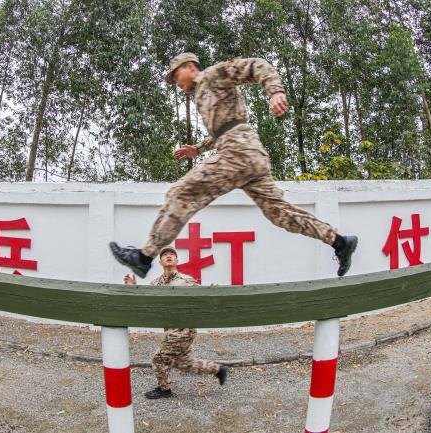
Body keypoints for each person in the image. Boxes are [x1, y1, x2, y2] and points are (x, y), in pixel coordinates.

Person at [110, 52, 357, 279]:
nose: (176, 82)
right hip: (250, 155)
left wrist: (275, 92)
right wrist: (198, 149)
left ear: (189, 67)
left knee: (181, 193)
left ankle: (144, 257)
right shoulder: (201, 94)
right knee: (280, 214)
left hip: (238, 152)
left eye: (176, 75)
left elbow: (256, 65)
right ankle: (339, 242)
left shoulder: (212, 75)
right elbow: (224, 127)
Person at [124, 246, 228, 399]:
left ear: (177, 261)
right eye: (165, 254)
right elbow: (144, 300)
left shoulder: (186, 281)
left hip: (183, 329)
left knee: (159, 359)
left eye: (172, 254)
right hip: (170, 329)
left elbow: (204, 296)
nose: (169, 256)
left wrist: (216, 292)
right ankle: (217, 370)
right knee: (184, 363)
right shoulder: (155, 284)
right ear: (160, 262)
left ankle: (164, 390)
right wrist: (134, 288)